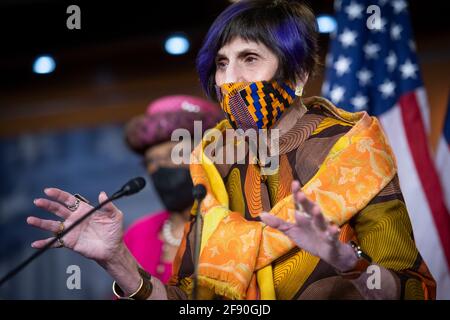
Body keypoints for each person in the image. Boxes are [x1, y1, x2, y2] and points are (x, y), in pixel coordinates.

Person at [27, 0, 436, 300]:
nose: (229, 80)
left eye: (249, 59)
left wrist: (349, 263)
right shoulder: (212, 157)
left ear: (297, 73)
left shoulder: (352, 145)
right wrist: (116, 259)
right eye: (222, 64)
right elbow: (191, 300)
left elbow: (412, 289)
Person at [122, 95, 222, 283]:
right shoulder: (138, 233)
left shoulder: (240, 229)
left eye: (174, 155)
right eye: (152, 161)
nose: (160, 168)